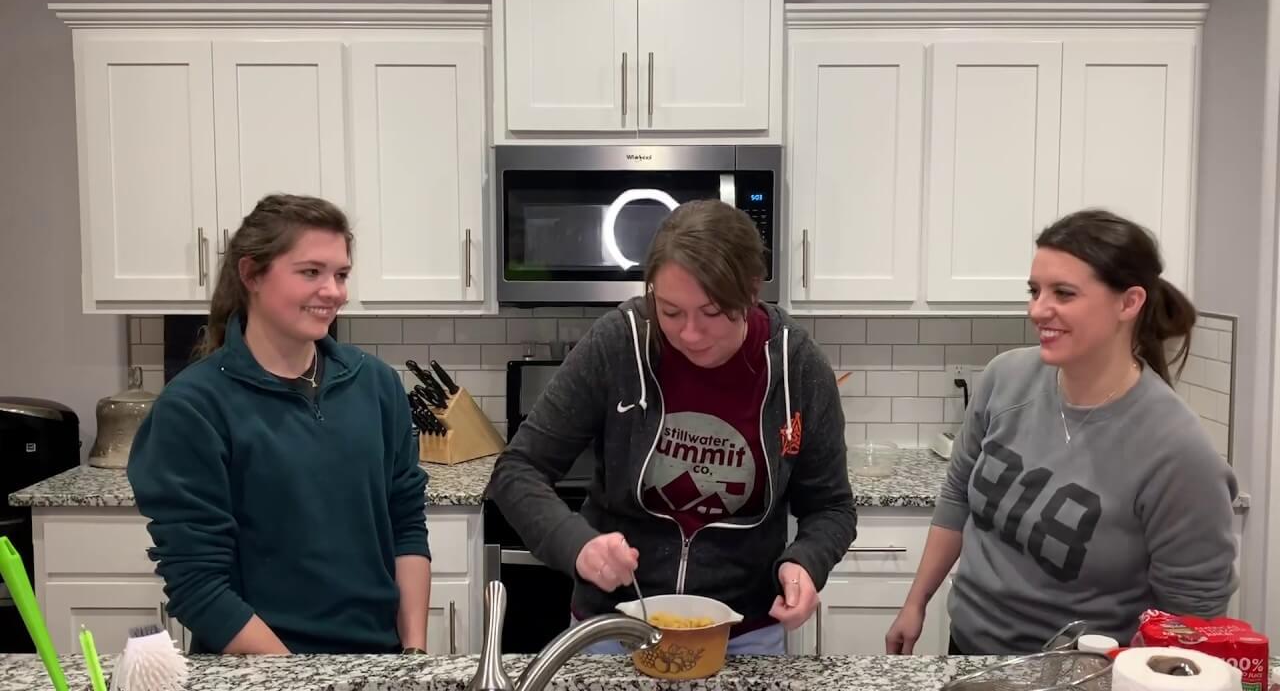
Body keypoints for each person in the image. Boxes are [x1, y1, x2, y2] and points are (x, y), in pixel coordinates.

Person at [487, 199, 856, 655]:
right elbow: (517, 470)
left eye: (713, 311)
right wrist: (579, 545)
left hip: (742, 638)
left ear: (752, 291)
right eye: (671, 311)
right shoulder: (619, 341)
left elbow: (832, 507)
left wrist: (805, 563)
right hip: (613, 629)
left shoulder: (796, 365)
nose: (690, 334)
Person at [885, 209, 1238, 656]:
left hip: (1085, 674)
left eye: (1063, 293)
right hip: (970, 652)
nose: (1037, 310)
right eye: (1035, 291)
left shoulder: (1179, 452)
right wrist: (916, 602)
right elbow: (958, 497)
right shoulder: (1004, 378)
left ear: (1129, 303)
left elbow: (1192, 616)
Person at [127, 194, 431, 654]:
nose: (334, 291)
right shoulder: (193, 407)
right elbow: (197, 583)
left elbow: (406, 525)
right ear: (251, 274)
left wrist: (413, 654)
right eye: (311, 272)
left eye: (341, 274)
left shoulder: (377, 386)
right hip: (258, 667)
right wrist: (294, 677)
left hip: (378, 659)